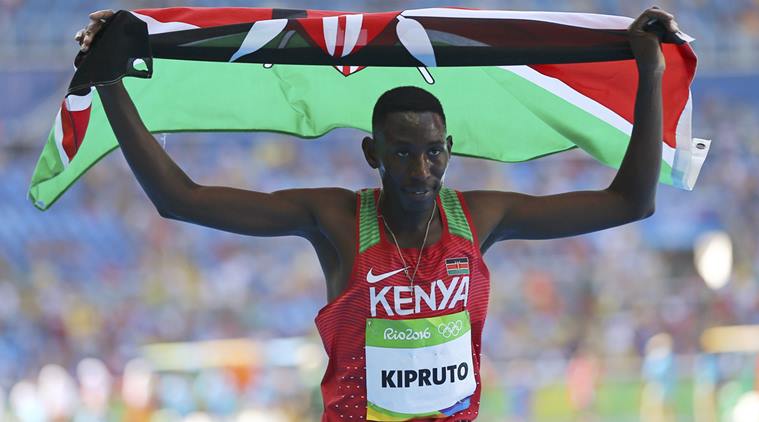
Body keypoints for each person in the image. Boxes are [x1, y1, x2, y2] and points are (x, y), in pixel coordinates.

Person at [76, 6, 679, 421]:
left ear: (449, 151)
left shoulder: (480, 217)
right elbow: (181, 199)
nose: (420, 172)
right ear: (372, 153)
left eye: (433, 153)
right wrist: (108, 85)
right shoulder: (336, 220)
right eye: (402, 154)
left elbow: (633, 201)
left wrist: (648, 72)